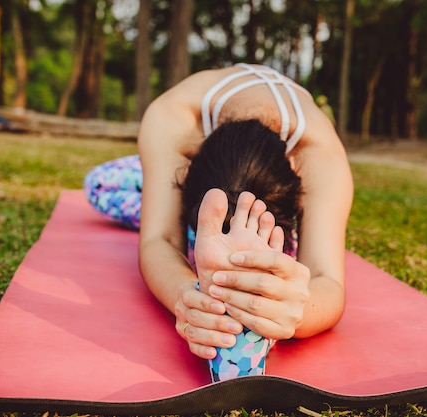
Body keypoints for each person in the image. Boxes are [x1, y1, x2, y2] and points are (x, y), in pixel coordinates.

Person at [84, 63, 353, 379]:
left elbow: (326, 277)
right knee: (100, 184)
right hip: (174, 159)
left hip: (286, 174)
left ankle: (252, 245)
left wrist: (293, 311)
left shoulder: (321, 157)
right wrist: (190, 297)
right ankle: (205, 229)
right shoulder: (173, 119)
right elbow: (160, 239)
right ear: (186, 174)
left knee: (281, 264)